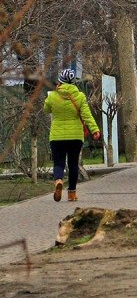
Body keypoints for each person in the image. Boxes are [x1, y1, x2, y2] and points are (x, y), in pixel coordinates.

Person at [44, 68, 101, 202]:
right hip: (75, 136)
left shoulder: (52, 96)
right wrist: (95, 130)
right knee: (73, 164)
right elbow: (86, 115)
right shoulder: (80, 96)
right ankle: (71, 193)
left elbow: (46, 109)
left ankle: (58, 180)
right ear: (73, 82)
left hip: (57, 136)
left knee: (58, 162)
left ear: (60, 81)